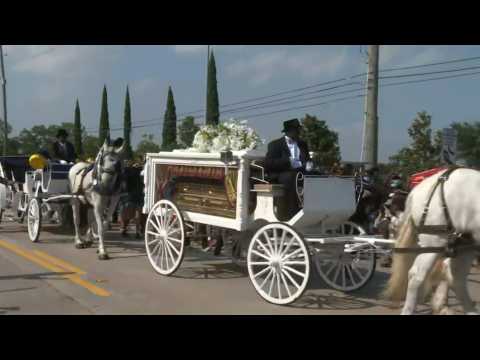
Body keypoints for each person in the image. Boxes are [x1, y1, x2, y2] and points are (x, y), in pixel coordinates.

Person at [265, 118, 312, 219]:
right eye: (297, 129)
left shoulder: (303, 144)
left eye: (299, 129)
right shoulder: (275, 145)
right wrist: (287, 161)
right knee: (291, 177)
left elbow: (307, 160)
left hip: (301, 173)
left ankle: (315, 209)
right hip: (282, 174)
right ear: (289, 131)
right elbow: (268, 163)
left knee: (320, 176)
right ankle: (290, 214)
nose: (299, 132)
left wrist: (309, 164)